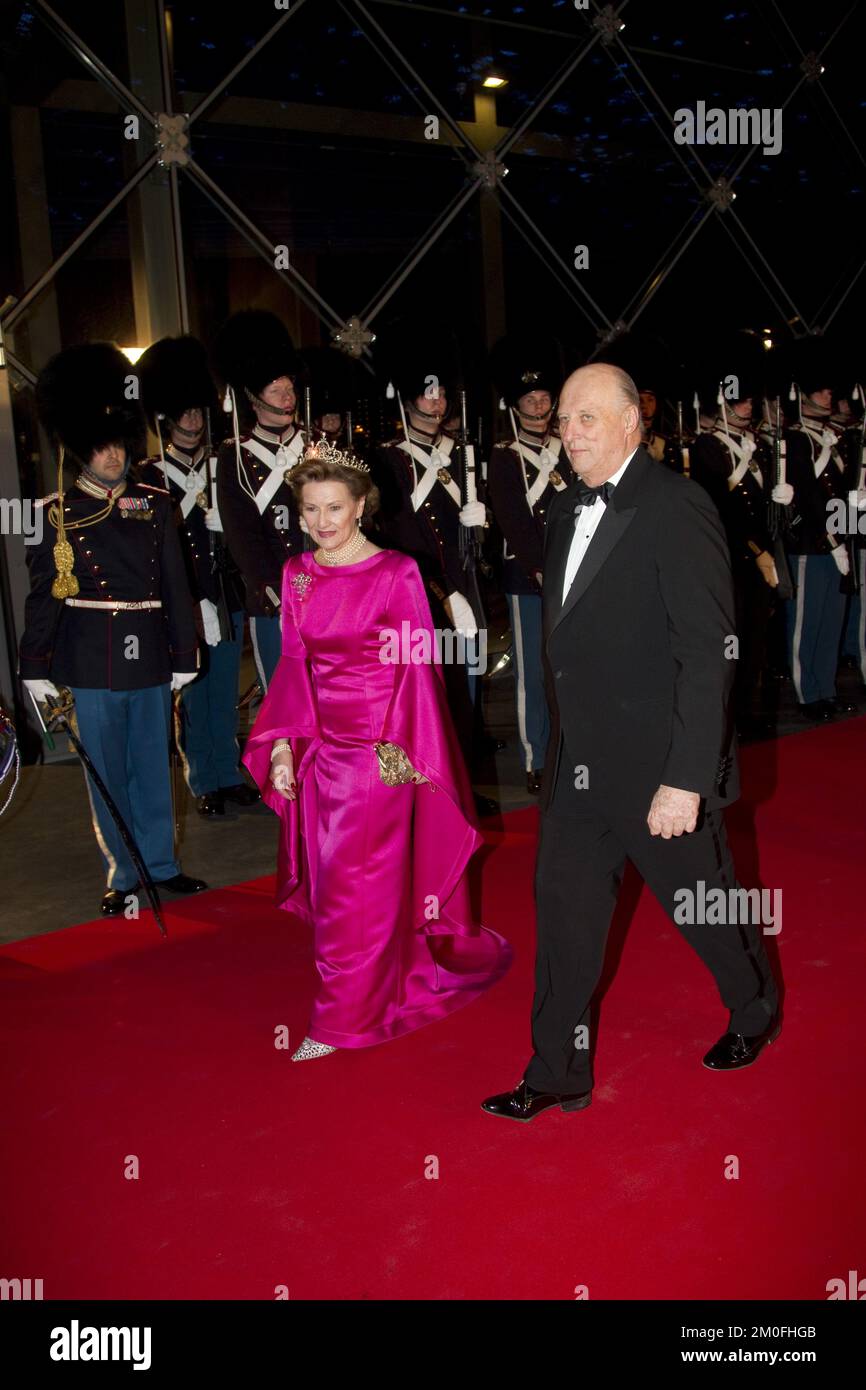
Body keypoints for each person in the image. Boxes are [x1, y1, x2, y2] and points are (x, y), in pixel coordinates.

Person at [482, 363, 779, 1123]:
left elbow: (708, 650)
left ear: (630, 424)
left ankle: (753, 1008)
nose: (569, 432)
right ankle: (558, 1071)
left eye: (587, 418)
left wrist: (685, 778)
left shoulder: (676, 506)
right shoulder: (559, 510)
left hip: (658, 774)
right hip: (576, 770)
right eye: (565, 419)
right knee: (566, 925)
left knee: (703, 909)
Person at [242, 439, 512, 1060]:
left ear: (361, 505)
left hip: (378, 753)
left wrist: (403, 748)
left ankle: (340, 1019)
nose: (321, 523)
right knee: (348, 881)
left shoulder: (397, 573)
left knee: (349, 885)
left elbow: (419, 669)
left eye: (334, 508)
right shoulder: (297, 574)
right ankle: (392, 981)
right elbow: (292, 664)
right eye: (310, 510)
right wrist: (282, 746)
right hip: (317, 751)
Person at [19, 343, 207, 915]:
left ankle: (162, 866)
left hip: (149, 653)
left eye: (119, 443)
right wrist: (35, 669)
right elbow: (45, 595)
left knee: (155, 766)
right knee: (107, 773)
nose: (113, 456)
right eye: (100, 447)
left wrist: (184, 651)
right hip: (91, 659)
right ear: (80, 449)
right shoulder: (56, 512)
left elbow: (176, 584)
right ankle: (125, 873)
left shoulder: (155, 503)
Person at [137, 335, 258, 818]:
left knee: (225, 688)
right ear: (164, 416)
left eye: (196, 410)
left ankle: (228, 772)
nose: (192, 419)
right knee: (192, 692)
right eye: (182, 411)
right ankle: (203, 777)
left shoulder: (221, 465)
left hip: (223, 589)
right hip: (182, 600)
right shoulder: (150, 475)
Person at [488, 336, 568, 793]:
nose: (539, 405)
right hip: (528, 576)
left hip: (571, 570)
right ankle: (535, 755)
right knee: (533, 670)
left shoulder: (568, 446)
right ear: (516, 406)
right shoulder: (504, 455)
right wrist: (541, 568)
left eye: (544, 397)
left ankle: (568, 748)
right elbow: (513, 518)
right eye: (530, 399)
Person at [215, 310, 305, 691]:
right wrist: (277, 593)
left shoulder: (316, 445)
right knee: (284, 709)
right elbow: (242, 537)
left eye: (290, 389)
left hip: (327, 592)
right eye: (276, 392)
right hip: (274, 602)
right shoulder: (235, 456)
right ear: (253, 399)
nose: (287, 398)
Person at [690, 378, 785, 741]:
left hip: (762, 552)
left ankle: (747, 712)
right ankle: (728, 717)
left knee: (757, 637)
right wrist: (756, 550)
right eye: (742, 401)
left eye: (751, 401)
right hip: (732, 556)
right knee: (734, 638)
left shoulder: (759, 445)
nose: (749, 407)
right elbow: (720, 507)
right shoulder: (708, 446)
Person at [783, 344, 855, 719]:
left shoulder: (834, 437)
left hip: (839, 539)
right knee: (805, 624)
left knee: (831, 621)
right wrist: (832, 540)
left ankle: (824, 688)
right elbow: (810, 498)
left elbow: (842, 491)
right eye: (822, 390)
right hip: (812, 544)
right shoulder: (797, 439)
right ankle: (806, 692)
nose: (829, 396)